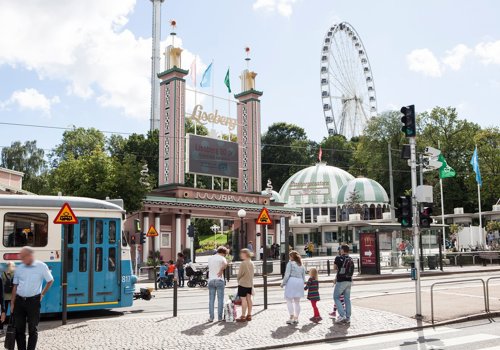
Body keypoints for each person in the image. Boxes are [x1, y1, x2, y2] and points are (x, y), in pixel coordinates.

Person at [11, 246, 54, 350]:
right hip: (19, 302)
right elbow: (15, 286)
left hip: (33, 302)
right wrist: (12, 303)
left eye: (23, 256)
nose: (21, 259)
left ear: (30, 256)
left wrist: (42, 294)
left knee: (32, 329)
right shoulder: (20, 267)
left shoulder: (41, 266)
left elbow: (50, 280)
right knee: (19, 329)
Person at [280, 250, 305, 325]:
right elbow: (303, 276)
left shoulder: (290, 263)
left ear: (292, 257)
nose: (289, 258)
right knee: (297, 302)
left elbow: (287, 274)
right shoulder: (301, 264)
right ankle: (296, 318)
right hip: (300, 282)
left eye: (290, 256)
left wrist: (283, 283)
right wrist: (302, 283)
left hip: (292, 281)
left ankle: (291, 317)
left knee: (289, 300)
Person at [333, 244, 354, 324]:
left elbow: (334, 268)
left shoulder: (338, 258)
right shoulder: (350, 258)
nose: (339, 250)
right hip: (349, 280)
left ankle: (342, 315)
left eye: (340, 249)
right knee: (347, 299)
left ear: (342, 250)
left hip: (341, 280)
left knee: (336, 297)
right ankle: (348, 317)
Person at [207, 246, 228, 322]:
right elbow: (225, 264)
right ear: (223, 253)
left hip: (211, 280)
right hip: (219, 280)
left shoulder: (210, 258)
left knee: (211, 300)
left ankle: (211, 317)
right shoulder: (222, 258)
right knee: (220, 299)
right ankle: (219, 318)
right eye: (225, 254)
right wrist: (221, 270)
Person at [236, 248, 254, 322]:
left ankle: (243, 316)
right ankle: (249, 315)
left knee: (243, 300)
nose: (240, 255)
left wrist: (238, 280)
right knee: (249, 299)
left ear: (245, 254)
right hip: (249, 283)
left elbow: (240, 274)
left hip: (243, 283)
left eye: (242, 254)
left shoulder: (243, 263)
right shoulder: (251, 262)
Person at [1, 262, 15, 333]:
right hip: (12, 296)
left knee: (4, 312)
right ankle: (12, 327)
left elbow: (2, 284)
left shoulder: (3, 274)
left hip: (5, 296)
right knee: (12, 312)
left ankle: (1, 328)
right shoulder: (14, 274)